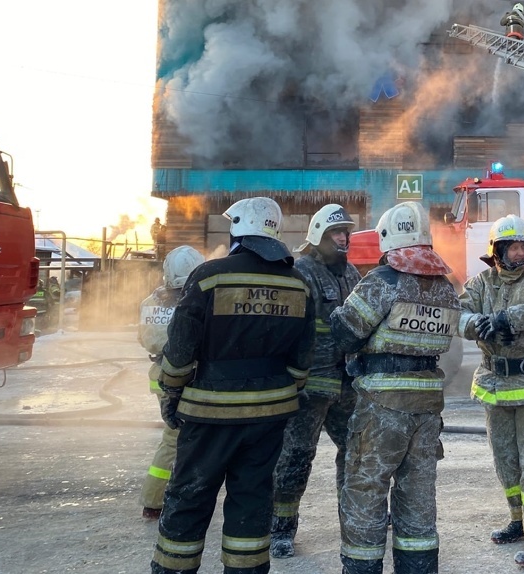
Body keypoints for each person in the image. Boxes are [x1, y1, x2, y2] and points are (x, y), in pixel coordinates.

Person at [149, 197, 316, 574]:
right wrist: (282, 392)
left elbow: (179, 350)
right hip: (270, 416)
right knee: (253, 501)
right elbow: (303, 358)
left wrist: (171, 392)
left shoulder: (209, 276)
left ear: (238, 228)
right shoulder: (298, 284)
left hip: (209, 412)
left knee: (190, 498)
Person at [330, 201, 460, 574]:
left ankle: (362, 568)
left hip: (381, 405)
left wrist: (338, 314)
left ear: (388, 238)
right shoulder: (445, 289)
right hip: (427, 407)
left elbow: (346, 333)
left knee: (366, 491)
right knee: (417, 495)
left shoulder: (383, 281)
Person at [458, 215, 524, 569]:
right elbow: (458, 314)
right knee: (506, 461)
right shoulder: (481, 283)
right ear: (497, 251)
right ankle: (520, 521)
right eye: (513, 247)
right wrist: (482, 327)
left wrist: (509, 319)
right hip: (494, 387)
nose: (520, 253)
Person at [269, 204, 362, 558]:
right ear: (318, 236)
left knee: (355, 452)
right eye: (336, 233)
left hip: (346, 384)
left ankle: (354, 519)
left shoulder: (351, 273)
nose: (343, 239)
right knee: (295, 456)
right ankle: (281, 528)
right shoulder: (301, 273)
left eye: (346, 233)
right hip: (309, 386)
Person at [137, 245, 206, 520]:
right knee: (175, 437)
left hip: (158, 372)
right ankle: (154, 500)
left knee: (181, 435)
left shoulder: (150, 301)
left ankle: (182, 490)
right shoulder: (191, 302)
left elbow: (144, 339)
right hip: (183, 375)